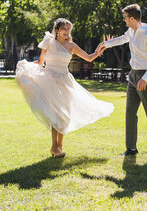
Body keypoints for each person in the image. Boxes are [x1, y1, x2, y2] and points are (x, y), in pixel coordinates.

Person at [16, 18, 114, 158]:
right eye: (64, 29)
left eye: (69, 29)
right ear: (57, 30)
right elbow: (40, 62)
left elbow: (89, 57)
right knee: (55, 113)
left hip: (65, 81)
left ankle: (59, 146)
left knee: (65, 114)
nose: (67, 32)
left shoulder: (71, 45)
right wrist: (28, 69)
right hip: (50, 79)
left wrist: (102, 47)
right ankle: (54, 147)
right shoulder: (49, 42)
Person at [96, 4, 147, 158]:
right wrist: (105, 45)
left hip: (145, 77)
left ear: (132, 18)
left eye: (125, 18)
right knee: (130, 112)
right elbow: (122, 39)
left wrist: (145, 79)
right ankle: (131, 148)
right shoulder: (131, 31)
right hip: (133, 75)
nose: (124, 21)